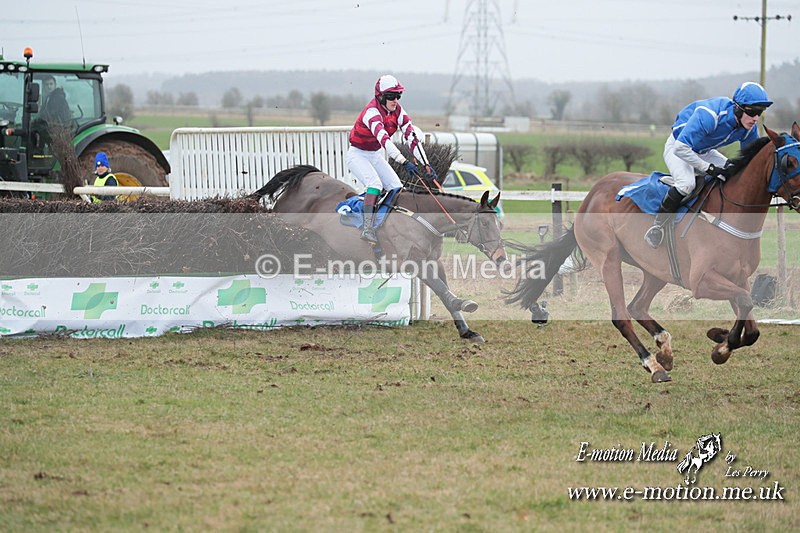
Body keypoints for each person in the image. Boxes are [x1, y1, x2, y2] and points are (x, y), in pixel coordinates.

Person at [644, 82, 773, 249]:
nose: (755, 118)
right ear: (738, 108)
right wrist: (708, 168)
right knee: (686, 184)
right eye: (752, 112)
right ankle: (657, 226)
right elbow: (681, 148)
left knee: (733, 172)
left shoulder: (749, 128)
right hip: (679, 146)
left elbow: (750, 163)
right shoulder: (710, 115)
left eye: (760, 113)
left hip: (704, 150)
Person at [346, 74, 435, 243]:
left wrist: (426, 165)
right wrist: (403, 161)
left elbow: (412, 137)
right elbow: (384, 140)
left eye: (398, 96)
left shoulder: (398, 111)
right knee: (375, 184)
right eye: (391, 96)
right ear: (380, 97)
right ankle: (367, 229)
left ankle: (390, 227)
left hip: (374, 155)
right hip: (357, 154)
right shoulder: (371, 112)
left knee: (397, 188)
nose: (395, 100)